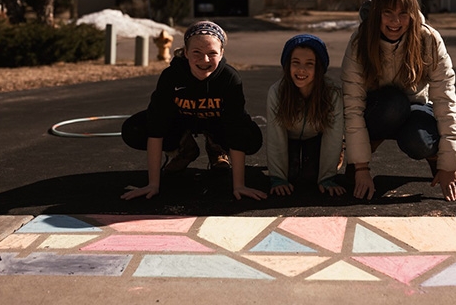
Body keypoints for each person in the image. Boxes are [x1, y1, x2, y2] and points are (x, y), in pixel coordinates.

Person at [341, 0, 456, 201]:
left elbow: (445, 100)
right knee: (393, 104)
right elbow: (352, 103)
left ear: (413, 14)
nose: (395, 21)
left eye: (403, 14)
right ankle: (364, 148)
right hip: (379, 111)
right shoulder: (360, 42)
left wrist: (449, 164)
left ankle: (433, 157)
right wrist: (360, 167)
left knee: (419, 140)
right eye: (387, 12)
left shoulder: (428, 40)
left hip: (415, 108)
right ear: (377, 12)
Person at [121, 20, 267, 201]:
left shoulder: (230, 78)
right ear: (186, 52)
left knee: (250, 136)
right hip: (181, 122)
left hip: (216, 123)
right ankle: (183, 148)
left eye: (212, 53)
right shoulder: (172, 76)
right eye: (197, 52)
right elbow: (156, 128)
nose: (204, 60)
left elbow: (236, 128)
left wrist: (239, 186)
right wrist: (153, 184)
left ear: (221, 54)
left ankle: (217, 148)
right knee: (134, 129)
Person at [267, 34, 346, 197]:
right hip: (290, 138)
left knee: (311, 177)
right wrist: (278, 178)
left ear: (319, 68)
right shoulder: (277, 92)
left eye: (309, 64)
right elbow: (276, 137)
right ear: (288, 65)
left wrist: (327, 177)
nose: (301, 70)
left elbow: (333, 135)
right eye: (296, 63)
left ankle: (335, 159)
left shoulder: (332, 93)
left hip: (316, 137)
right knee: (292, 175)